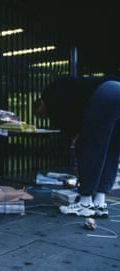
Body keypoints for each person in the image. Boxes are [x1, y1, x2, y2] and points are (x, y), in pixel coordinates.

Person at [33, 75, 120, 218]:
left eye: (42, 114)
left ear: (41, 102)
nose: (46, 117)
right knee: (111, 149)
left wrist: (75, 135)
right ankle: (99, 202)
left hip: (105, 95)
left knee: (90, 148)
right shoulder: (69, 88)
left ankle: (85, 202)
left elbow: (69, 122)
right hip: (116, 88)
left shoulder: (51, 95)